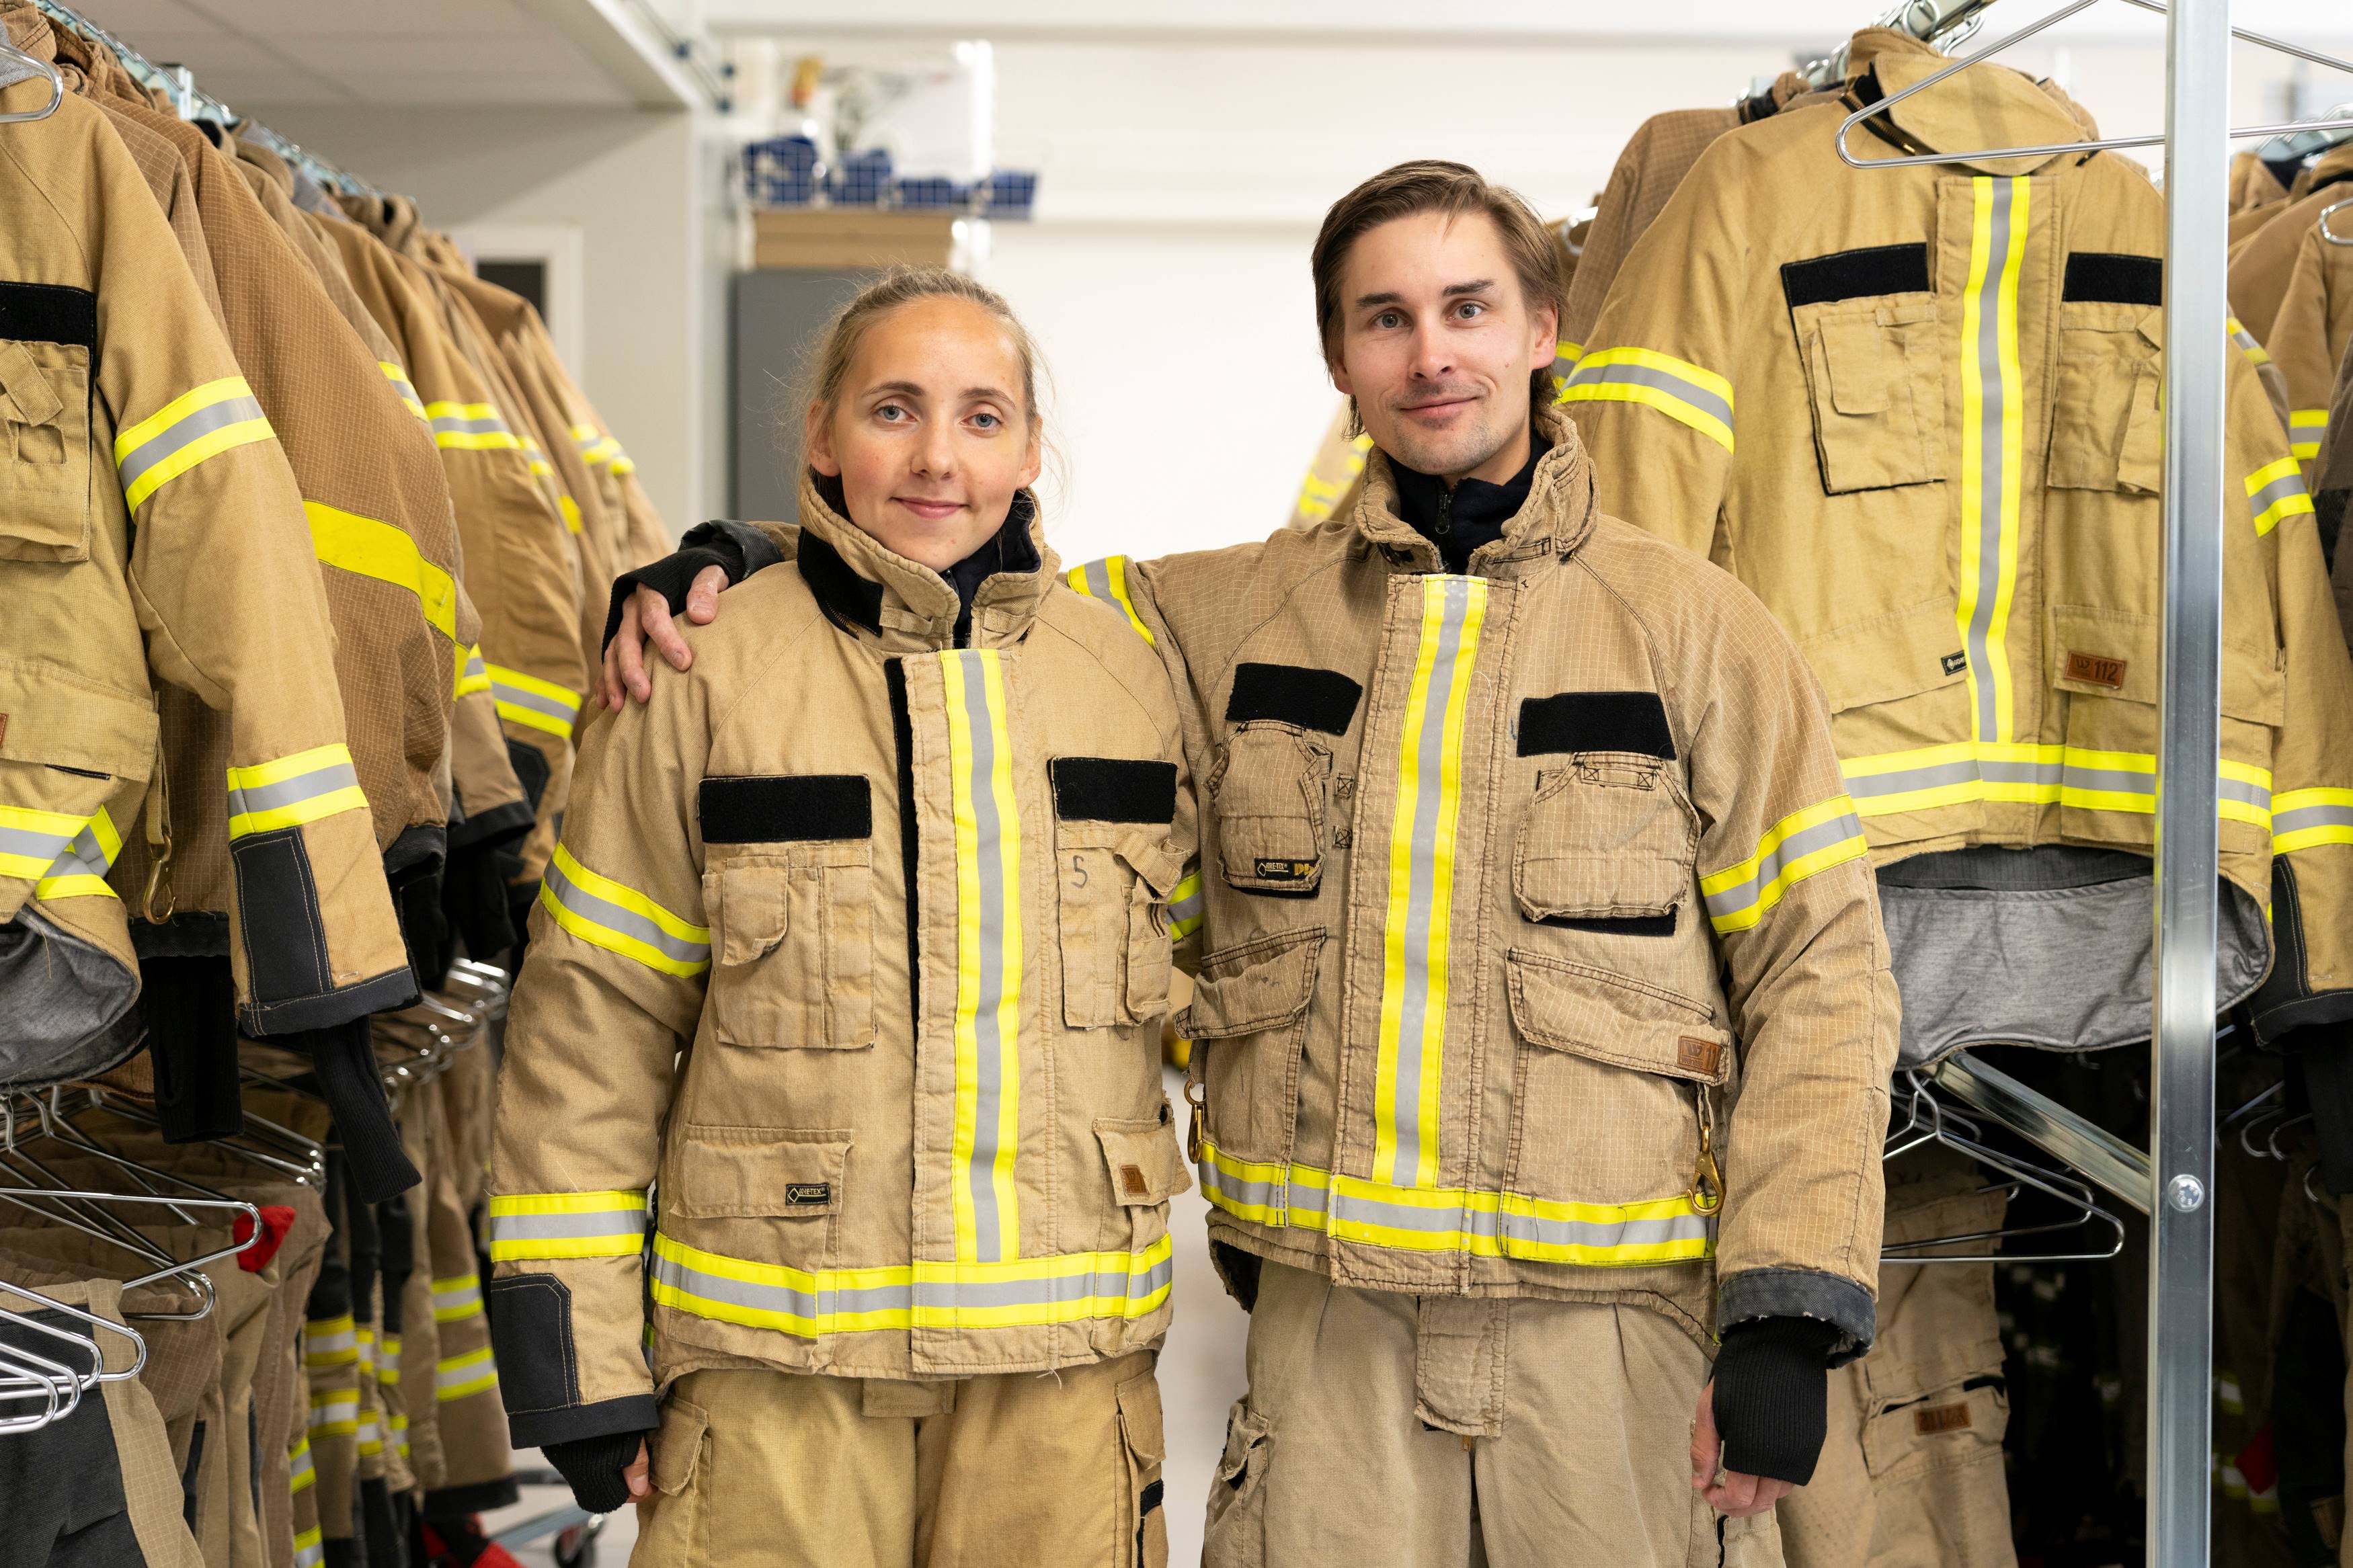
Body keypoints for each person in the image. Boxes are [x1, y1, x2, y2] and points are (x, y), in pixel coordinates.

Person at [608, 163, 1900, 1563]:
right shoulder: (1210, 614)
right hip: (1324, 1341)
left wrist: (1785, 1305)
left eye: (1467, 308)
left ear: (1541, 329)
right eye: (1384, 318)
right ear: (1340, 357)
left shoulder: (1700, 632)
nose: (1431, 353)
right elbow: (956, 596)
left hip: (1609, 1336)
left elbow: (1822, 974)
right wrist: (756, 563)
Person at [487, 268, 1197, 1567]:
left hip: (1061, 1387)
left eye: (984, 416)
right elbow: (592, 1023)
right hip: (772, 1382)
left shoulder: (1132, 682)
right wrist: (572, 1352)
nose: (939, 456)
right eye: (893, 409)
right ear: (821, 435)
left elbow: (1226, 986)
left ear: (1033, 448)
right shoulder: (701, 670)